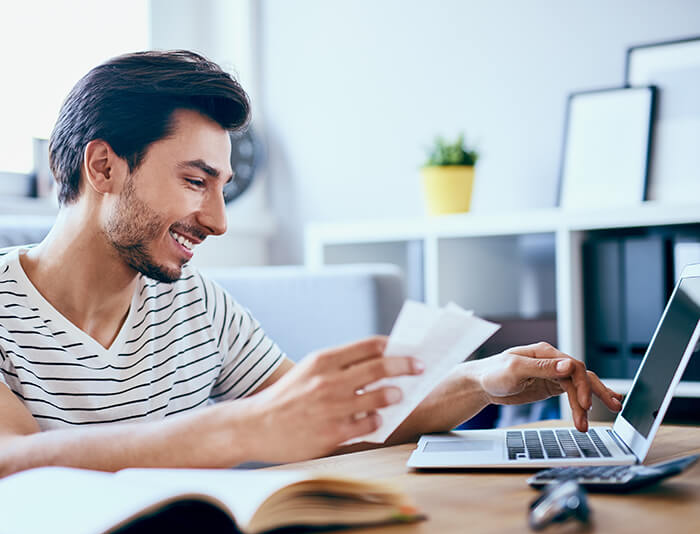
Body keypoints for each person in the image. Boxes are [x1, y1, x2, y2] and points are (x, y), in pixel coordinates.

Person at [0, 50, 622, 477]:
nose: (218, 221)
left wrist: (481, 379)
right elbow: (12, 463)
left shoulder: (198, 305)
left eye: (221, 188)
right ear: (103, 166)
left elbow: (339, 424)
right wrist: (242, 430)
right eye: (195, 181)